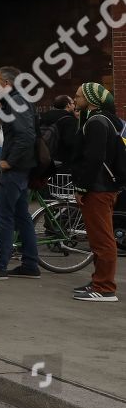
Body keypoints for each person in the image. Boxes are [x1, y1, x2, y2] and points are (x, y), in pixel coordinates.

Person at [70, 82, 122, 302]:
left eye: (78, 96)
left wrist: (82, 187)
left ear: (92, 100)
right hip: (104, 187)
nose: (75, 100)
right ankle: (98, 280)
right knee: (99, 238)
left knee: (102, 239)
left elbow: (94, 158)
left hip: (98, 189)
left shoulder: (97, 122)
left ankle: (104, 287)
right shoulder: (103, 119)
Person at [0, 66, 41, 280]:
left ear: (6, 84)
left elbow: (25, 135)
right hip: (22, 167)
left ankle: (0, 265)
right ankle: (30, 264)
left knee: (4, 217)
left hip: (15, 169)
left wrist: (9, 161)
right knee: (21, 216)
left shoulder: (15, 100)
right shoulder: (18, 99)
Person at [41, 93, 81, 173]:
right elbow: (70, 142)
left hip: (45, 160)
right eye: (73, 103)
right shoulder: (69, 120)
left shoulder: (44, 117)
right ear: (68, 105)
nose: (74, 106)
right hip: (63, 163)